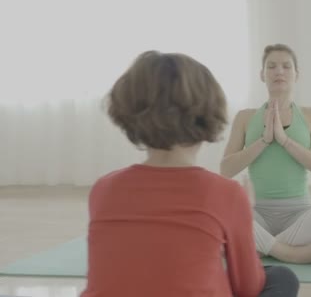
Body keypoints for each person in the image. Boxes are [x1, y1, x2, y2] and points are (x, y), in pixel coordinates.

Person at [81, 51, 299, 297]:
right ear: (209, 113)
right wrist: (244, 217)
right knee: (281, 277)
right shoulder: (226, 193)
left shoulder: (103, 189)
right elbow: (248, 287)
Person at [220, 44, 311, 265]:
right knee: (218, 201)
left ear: (296, 74)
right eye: (272, 66)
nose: (279, 71)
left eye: (286, 66)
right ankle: (291, 252)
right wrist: (264, 141)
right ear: (262, 75)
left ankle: (261, 247)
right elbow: (226, 170)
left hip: (300, 217)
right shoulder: (245, 118)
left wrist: (285, 140)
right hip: (257, 217)